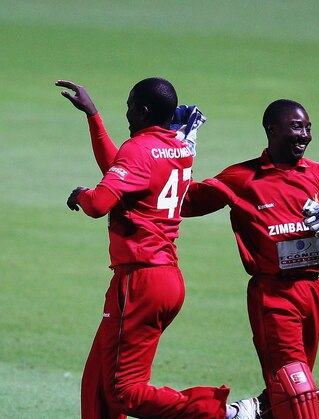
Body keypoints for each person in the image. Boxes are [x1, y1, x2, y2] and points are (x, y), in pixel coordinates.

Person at [56, 78, 256, 419]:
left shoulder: (139, 149)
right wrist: (93, 115)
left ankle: (223, 414)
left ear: (144, 111)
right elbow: (119, 172)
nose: (127, 111)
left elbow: (99, 202)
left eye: (130, 105)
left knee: (123, 393)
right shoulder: (178, 149)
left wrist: (80, 194)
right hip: (164, 279)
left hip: (140, 281)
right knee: (98, 381)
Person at [181, 99, 319, 418]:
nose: (304, 134)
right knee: (297, 389)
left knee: (287, 389)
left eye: (307, 128)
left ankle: (246, 412)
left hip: (312, 292)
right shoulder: (242, 178)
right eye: (296, 127)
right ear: (272, 131)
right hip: (273, 296)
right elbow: (185, 203)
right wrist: (179, 152)